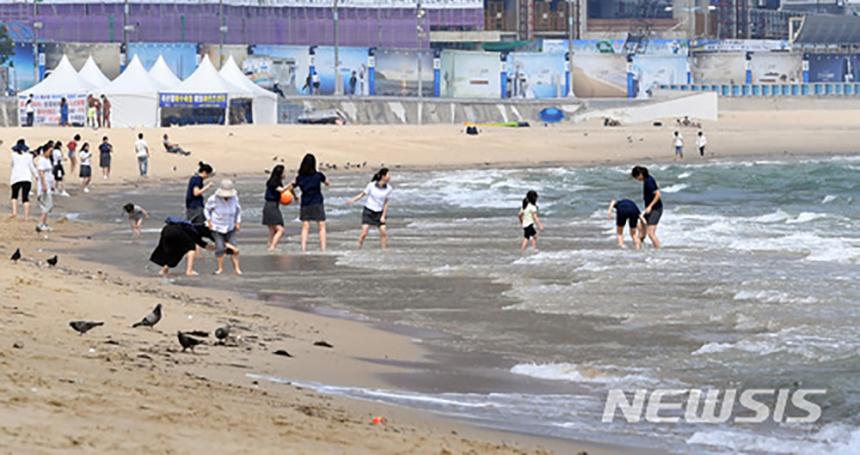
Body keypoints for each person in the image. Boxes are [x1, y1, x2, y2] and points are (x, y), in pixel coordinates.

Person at [286, 153, 329, 253]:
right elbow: (327, 182)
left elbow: (290, 188)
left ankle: (303, 249)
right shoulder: (318, 175)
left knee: (305, 227)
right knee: (321, 226)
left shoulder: (300, 177)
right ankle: (323, 249)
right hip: (317, 202)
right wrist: (326, 183)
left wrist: (295, 196)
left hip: (305, 202)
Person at [149, 218, 215, 277]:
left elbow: (199, 241)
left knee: (173, 250)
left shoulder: (195, 225)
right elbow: (200, 239)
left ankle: (164, 269)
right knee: (191, 248)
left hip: (166, 229)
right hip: (177, 231)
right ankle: (189, 271)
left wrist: (211, 247)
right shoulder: (203, 228)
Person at [347, 167, 392, 249]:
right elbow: (362, 194)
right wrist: (352, 200)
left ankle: (384, 251)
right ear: (383, 176)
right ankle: (358, 249)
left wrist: (383, 216)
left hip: (379, 212)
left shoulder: (389, 188)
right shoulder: (371, 185)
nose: (390, 177)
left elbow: (386, 203)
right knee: (364, 233)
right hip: (369, 211)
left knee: (383, 233)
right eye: (388, 175)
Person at [204, 179, 242, 275]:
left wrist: (238, 222)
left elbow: (238, 211)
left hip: (230, 226)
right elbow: (206, 210)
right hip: (217, 226)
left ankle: (237, 269)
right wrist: (209, 221)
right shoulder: (213, 199)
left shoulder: (234, 198)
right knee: (220, 247)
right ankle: (220, 268)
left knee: (234, 247)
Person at [632, 166, 662, 249]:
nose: (637, 179)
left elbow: (658, 195)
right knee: (641, 230)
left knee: (651, 233)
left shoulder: (648, 181)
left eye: (636, 177)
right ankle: (638, 251)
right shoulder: (648, 179)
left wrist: (650, 206)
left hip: (655, 209)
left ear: (640, 174)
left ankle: (659, 252)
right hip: (649, 209)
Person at [262, 165, 290, 252]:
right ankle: (272, 247)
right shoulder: (273, 182)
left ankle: (270, 245)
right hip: (271, 206)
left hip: (271, 206)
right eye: (284, 172)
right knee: (280, 229)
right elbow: (281, 190)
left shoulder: (275, 181)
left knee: (272, 229)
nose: (285, 174)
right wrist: (291, 184)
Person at [10, 139, 37, 220]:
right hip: (26, 178)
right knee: (25, 197)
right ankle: (26, 216)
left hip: (15, 178)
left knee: (14, 196)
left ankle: (14, 213)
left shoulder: (14, 155)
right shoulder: (29, 156)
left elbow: (12, 165)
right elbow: (32, 167)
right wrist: (36, 176)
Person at [35, 146, 54, 233]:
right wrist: (44, 185)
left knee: (48, 206)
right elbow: (41, 173)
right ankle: (41, 224)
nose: (51, 153)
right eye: (50, 151)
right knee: (46, 206)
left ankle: (44, 223)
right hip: (44, 187)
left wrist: (52, 184)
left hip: (48, 185)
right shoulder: (42, 160)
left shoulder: (48, 160)